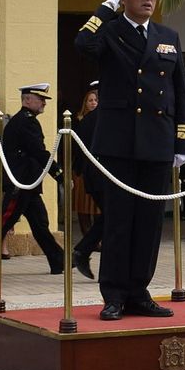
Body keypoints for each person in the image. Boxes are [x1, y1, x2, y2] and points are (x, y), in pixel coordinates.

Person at [74, 0, 185, 320]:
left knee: (149, 223)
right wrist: (104, 9)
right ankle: (114, 295)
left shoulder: (167, 36)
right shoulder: (109, 32)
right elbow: (83, 43)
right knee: (119, 220)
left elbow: (180, 91)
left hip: (156, 143)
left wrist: (183, 142)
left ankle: (139, 291)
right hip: (119, 142)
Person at [0, 84, 64, 280]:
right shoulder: (26, 122)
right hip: (20, 184)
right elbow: (39, 152)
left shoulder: (25, 120)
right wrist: (58, 172)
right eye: (40, 99)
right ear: (27, 100)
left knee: (40, 224)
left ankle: (58, 261)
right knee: (2, 224)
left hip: (28, 183)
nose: (44, 102)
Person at [70, 82, 105, 280]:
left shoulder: (89, 120)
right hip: (104, 176)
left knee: (111, 217)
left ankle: (83, 250)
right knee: (116, 217)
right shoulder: (102, 118)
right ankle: (83, 251)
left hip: (94, 177)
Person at [73, 84, 101, 235]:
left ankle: (96, 239)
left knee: (97, 208)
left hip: (97, 167)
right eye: (90, 100)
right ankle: (87, 236)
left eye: (95, 100)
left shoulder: (101, 121)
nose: (92, 103)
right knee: (83, 206)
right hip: (80, 168)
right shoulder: (78, 121)